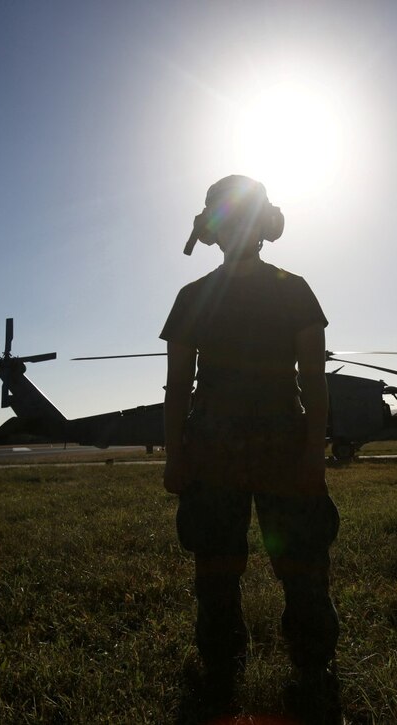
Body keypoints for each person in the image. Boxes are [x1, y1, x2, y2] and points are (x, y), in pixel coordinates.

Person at [161, 176, 340, 707]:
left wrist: (313, 454)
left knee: (270, 568)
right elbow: (314, 382)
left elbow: (314, 381)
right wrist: (176, 456)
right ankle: (270, 671)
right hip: (256, 449)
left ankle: (268, 670)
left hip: (248, 450)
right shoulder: (286, 288)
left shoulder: (205, 296)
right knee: (258, 568)